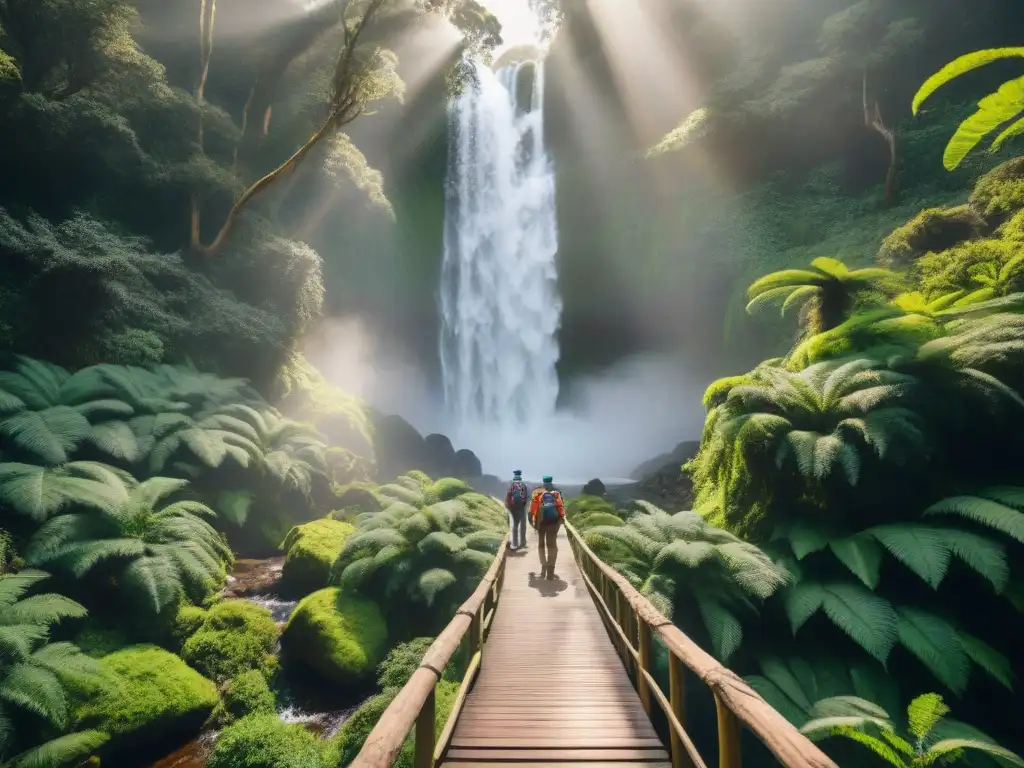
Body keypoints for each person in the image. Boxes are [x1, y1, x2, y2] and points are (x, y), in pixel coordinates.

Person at [529, 475, 565, 578]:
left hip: (541, 523)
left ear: (543, 482)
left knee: (541, 545)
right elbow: (560, 508)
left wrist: (532, 520)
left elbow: (532, 508)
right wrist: (560, 520)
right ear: (551, 481)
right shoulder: (556, 493)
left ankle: (543, 566)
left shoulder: (538, 492)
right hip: (553, 523)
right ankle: (550, 570)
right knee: (552, 546)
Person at [504, 469, 530, 551]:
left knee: (515, 525)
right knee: (523, 525)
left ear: (514, 477)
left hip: (513, 508)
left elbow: (508, 496)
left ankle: (514, 544)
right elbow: (526, 497)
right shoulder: (523, 485)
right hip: (521, 508)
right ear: (520, 476)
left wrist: (508, 506)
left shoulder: (512, 485)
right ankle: (523, 543)